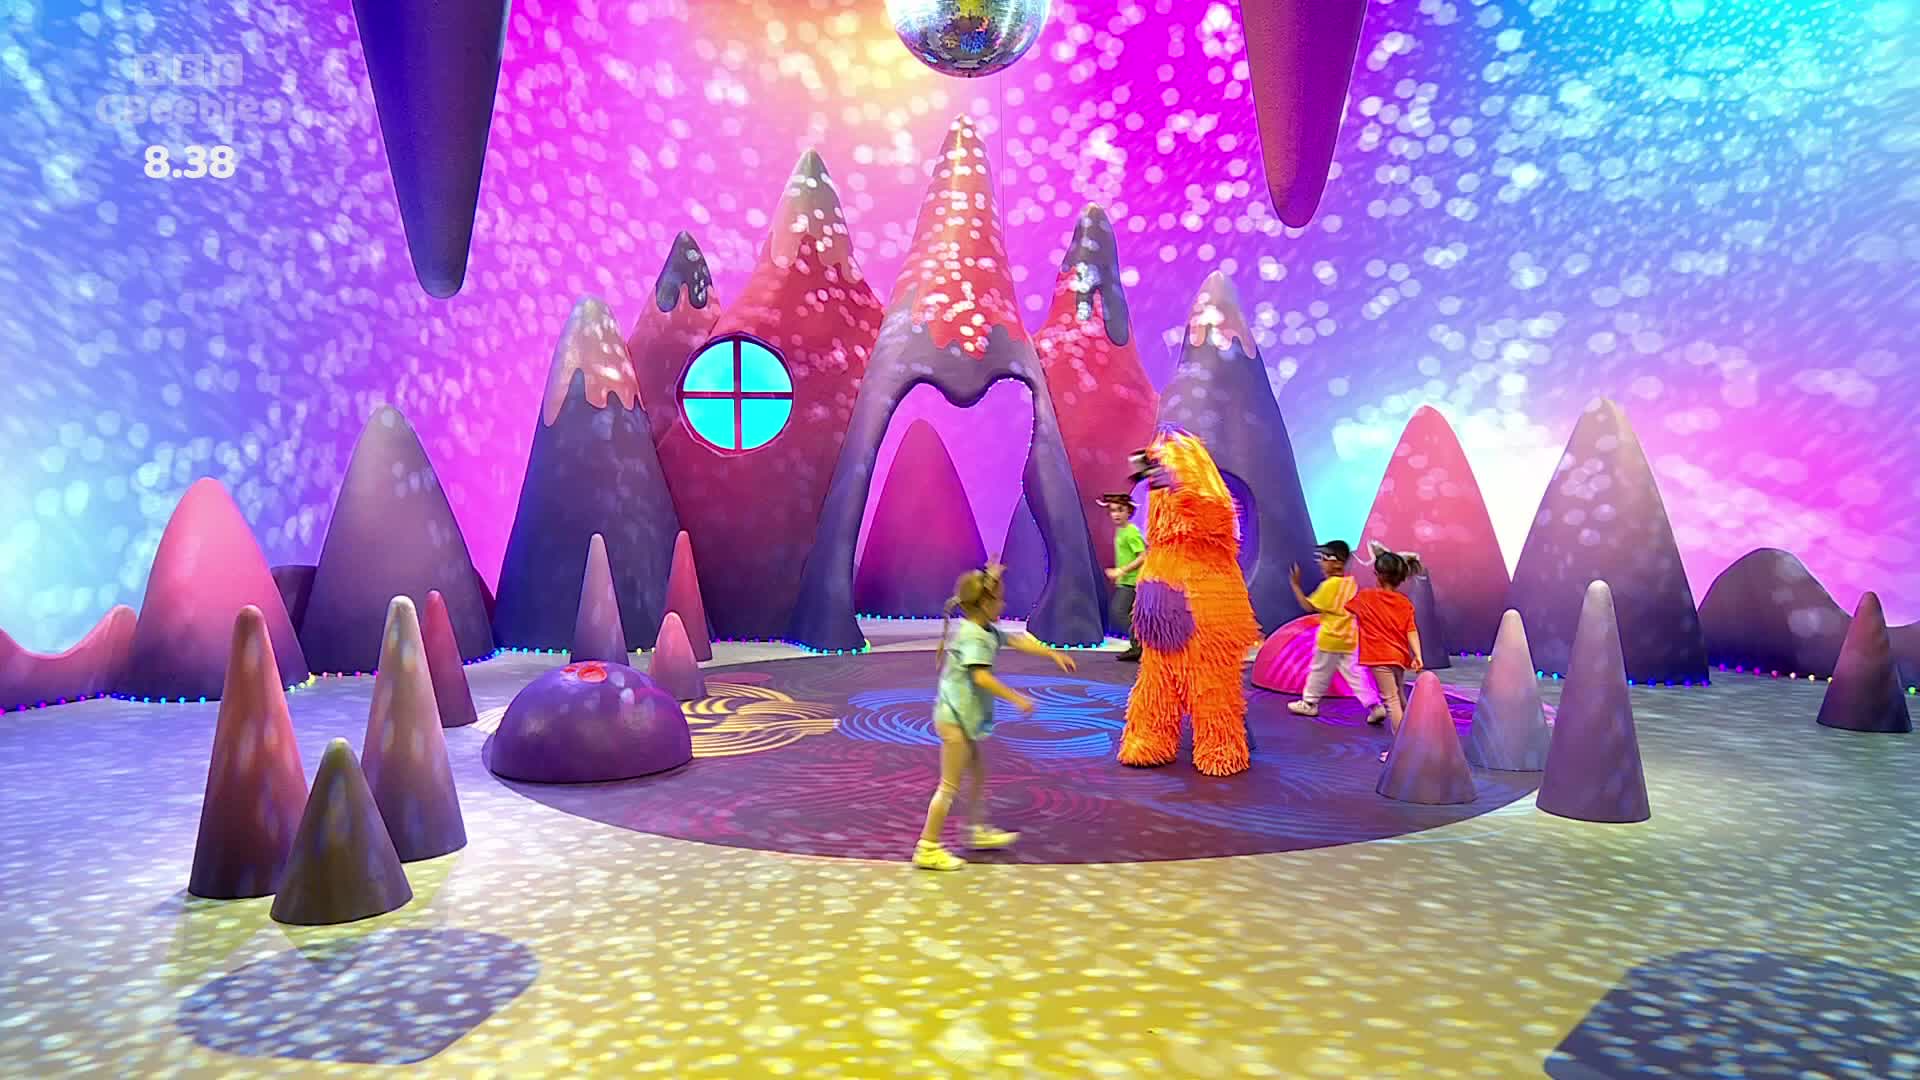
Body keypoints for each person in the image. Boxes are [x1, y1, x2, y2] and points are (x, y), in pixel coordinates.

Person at [913, 563, 1077, 871]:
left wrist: (1052, 653)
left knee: (977, 774)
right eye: (999, 600)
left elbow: (1017, 641)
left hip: (963, 716)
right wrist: (1018, 699)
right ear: (985, 604)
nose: (1003, 604)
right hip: (954, 718)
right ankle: (928, 847)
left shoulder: (986, 630)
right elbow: (981, 677)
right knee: (949, 786)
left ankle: (975, 830)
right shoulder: (973, 637)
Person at [1349, 541, 1425, 761]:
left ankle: (1402, 750)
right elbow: (1411, 630)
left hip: (1378, 656)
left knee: (1391, 700)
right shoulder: (1404, 603)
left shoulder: (1366, 597)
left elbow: (1347, 608)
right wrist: (1418, 655)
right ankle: (1413, 737)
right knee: (1398, 696)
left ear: (1378, 575)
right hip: (1398, 657)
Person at [1286, 540, 1364, 717]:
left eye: (1324, 558)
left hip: (1330, 639)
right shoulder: (1351, 583)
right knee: (1356, 674)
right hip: (1349, 639)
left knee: (1319, 671)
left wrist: (1295, 585)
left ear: (1336, 563)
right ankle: (1374, 705)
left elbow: (1308, 606)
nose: (1321, 563)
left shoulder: (1329, 586)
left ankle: (1309, 703)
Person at [1100, 493, 1146, 662]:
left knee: (1118, 612)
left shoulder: (1131, 532)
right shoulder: (1121, 531)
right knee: (1123, 613)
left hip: (1132, 582)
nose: (1116, 514)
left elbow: (1143, 556)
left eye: (1120, 510)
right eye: (1113, 510)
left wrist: (1121, 571)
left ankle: (1141, 643)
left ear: (1129, 511)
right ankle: (1137, 646)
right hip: (1125, 581)